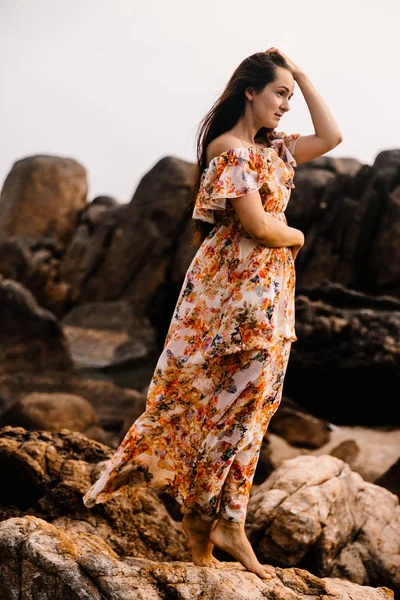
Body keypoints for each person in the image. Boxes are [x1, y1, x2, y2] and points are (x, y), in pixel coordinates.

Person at [82, 47, 342, 580]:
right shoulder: (231, 152)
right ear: (250, 91)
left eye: (290, 96)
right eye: (280, 93)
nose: (287, 105)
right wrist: (295, 235)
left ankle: (225, 525)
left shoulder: (273, 149)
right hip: (232, 298)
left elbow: (333, 138)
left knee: (252, 414)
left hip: (268, 295)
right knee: (219, 412)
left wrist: (304, 77)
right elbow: (261, 228)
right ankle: (209, 530)